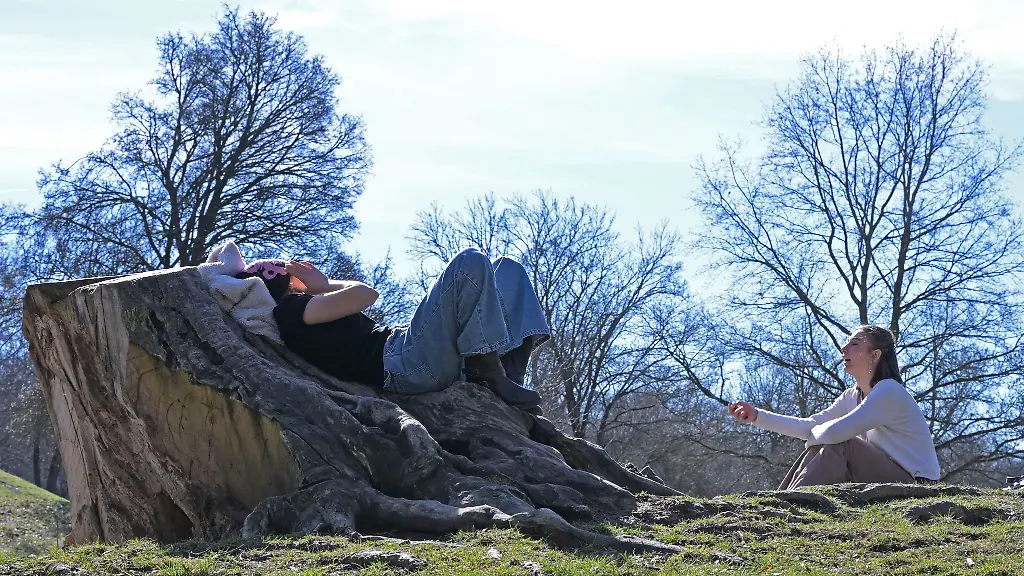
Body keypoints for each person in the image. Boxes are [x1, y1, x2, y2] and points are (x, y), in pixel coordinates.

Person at [236, 248, 549, 414]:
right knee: (468, 262)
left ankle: (506, 373)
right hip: (402, 363)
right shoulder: (289, 311)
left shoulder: (299, 309)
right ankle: (486, 371)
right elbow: (366, 295)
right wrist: (325, 285)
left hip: (408, 351)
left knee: (508, 269)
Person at [727, 325, 940, 488]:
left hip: (917, 485)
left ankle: (794, 504)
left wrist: (815, 436)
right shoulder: (851, 396)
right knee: (822, 447)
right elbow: (809, 427)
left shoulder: (889, 391)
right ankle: (784, 501)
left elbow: (834, 433)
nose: (843, 349)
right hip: (885, 477)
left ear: (875, 355)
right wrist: (757, 416)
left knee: (842, 444)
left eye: (854, 344)